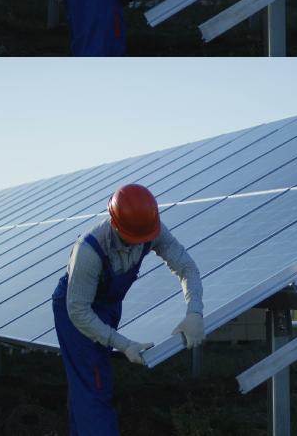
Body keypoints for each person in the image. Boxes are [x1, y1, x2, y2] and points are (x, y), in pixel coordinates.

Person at [52, 183, 204, 435]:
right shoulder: (88, 250)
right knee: (94, 384)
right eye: (132, 240)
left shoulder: (150, 228)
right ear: (115, 223)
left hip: (108, 306)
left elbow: (187, 267)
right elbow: (78, 310)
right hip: (76, 311)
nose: (139, 245)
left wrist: (194, 312)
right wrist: (122, 343)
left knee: (87, 383)